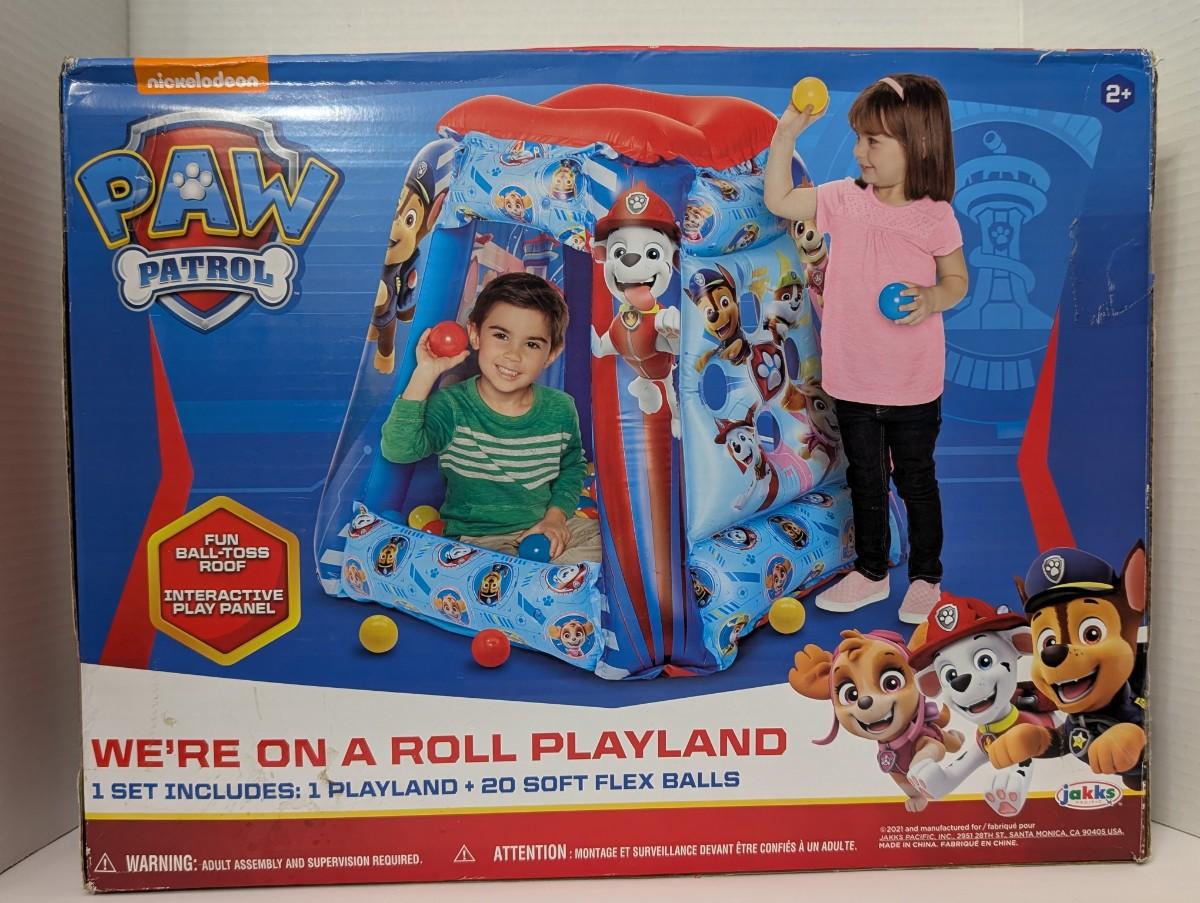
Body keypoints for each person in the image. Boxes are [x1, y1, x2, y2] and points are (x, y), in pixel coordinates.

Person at [764, 73, 969, 624]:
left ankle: (925, 577)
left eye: (873, 140)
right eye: (858, 138)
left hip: (912, 381)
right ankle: (873, 571)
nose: (859, 151)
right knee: (865, 478)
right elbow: (779, 198)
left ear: (918, 142)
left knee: (916, 479)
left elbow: (957, 281)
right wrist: (786, 134)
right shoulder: (842, 199)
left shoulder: (935, 215)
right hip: (853, 377)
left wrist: (931, 297)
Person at [380, 272, 601, 564]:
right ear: (475, 334)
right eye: (501, 336)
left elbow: (571, 467)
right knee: (498, 571)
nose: (513, 355)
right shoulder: (452, 405)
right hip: (480, 541)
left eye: (532, 344)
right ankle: (539, 579)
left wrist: (555, 518)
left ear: (552, 353)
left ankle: (548, 577)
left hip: (545, 528)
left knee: (612, 545)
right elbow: (398, 451)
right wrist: (425, 373)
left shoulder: (560, 408)